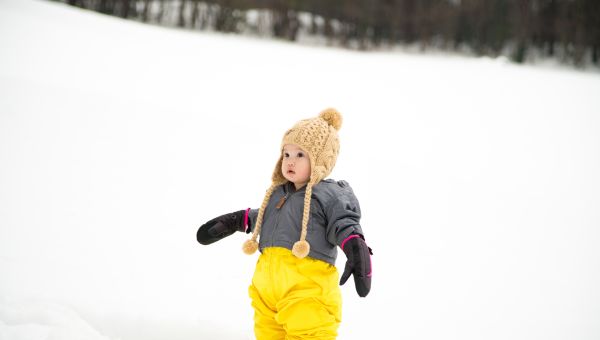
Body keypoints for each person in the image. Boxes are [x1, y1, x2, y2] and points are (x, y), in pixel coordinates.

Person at [197, 108, 372, 339]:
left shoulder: (330, 196)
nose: (290, 161)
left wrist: (355, 247)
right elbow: (262, 217)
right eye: (286, 154)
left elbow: (344, 224)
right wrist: (235, 221)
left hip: (307, 293)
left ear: (319, 160)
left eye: (301, 155)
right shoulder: (277, 195)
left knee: (309, 333)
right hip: (267, 293)